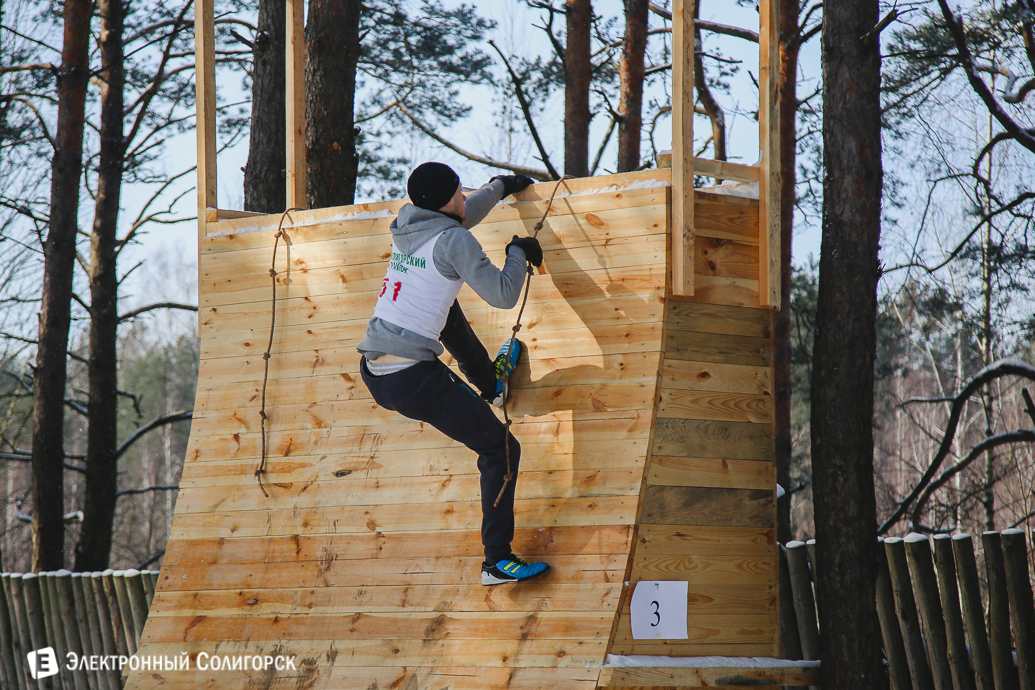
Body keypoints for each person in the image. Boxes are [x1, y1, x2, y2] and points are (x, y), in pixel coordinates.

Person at [358, 162, 550, 585]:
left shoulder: (410, 226)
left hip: (376, 369)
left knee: (446, 310)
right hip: (412, 379)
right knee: (501, 449)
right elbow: (502, 294)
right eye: (461, 192)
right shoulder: (452, 241)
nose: (466, 197)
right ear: (448, 200)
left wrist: (500, 187)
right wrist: (518, 253)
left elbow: (462, 217)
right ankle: (496, 561)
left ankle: (490, 385)